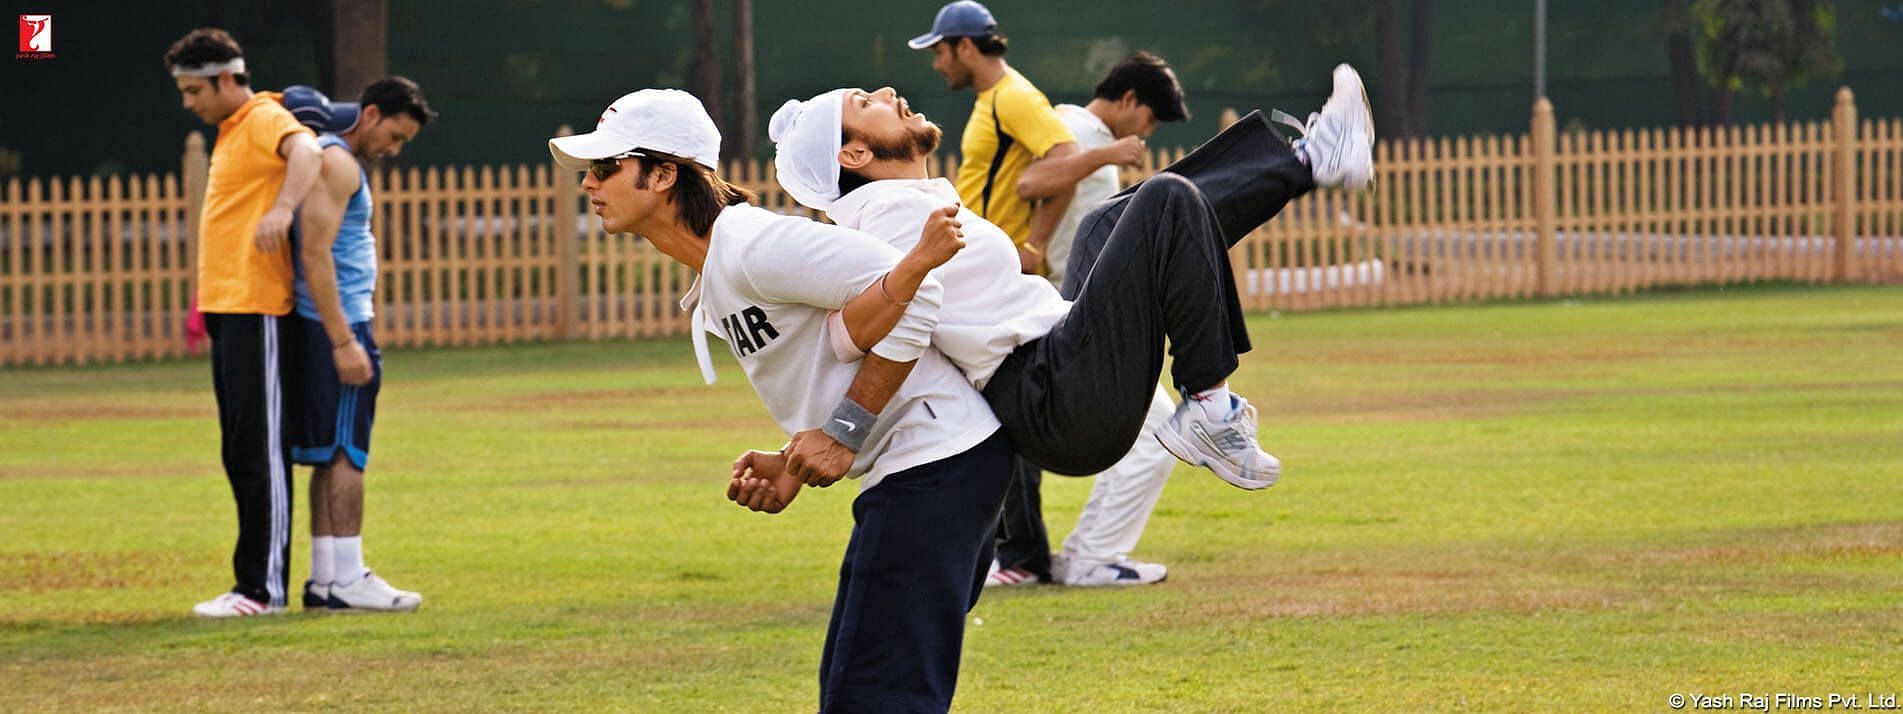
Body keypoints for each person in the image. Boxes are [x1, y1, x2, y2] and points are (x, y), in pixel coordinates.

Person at [758, 65, 1377, 580]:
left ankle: (1309, 159)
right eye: (867, 103)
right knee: (1164, 202)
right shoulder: (884, 217)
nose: (890, 94)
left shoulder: (902, 204)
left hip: (1058, 352)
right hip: (1053, 395)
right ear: (855, 152)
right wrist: (832, 437)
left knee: (1110, 221)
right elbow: (864, 330)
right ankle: (1210, 405)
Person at [548, 88, 1009, 713]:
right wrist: (796, 458)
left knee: (871, 699)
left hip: (939, 464)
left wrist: (843, 434)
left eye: (605, 168)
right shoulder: (719, 267)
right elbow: (839, 347)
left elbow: (915, 288)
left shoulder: (751, 244)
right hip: (937, 470)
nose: (590, 184)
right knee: (862, 692)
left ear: (661, 174)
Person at [909, 0, 1148, 587]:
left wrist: (1034, 243)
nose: (937, 62)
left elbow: (1061, 162)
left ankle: (1019, 558)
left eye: (940, 49)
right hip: (975, 272)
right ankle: (1016, 554)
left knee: (999, 412)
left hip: (989, 280)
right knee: (990, 411)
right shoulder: (996, 99)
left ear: (966, 46)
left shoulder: (1014, 97)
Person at [166, 27, 324, 618]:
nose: (190, 103)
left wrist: (283, 210)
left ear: (228, 78)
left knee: (260, 451)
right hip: (228, 308)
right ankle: (249, 585)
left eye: (194, 91)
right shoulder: (231, 132)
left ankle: (263, 590)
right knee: (238, 451)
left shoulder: (261, 117)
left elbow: (306, 151)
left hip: (258, 307)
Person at [1035, 52, 1193, 587]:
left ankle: (1083, 554)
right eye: (1148, 120)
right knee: (1162, 431)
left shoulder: (1061, 126)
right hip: (1073, 316)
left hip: (1051, 311)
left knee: (1148, 430)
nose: (1146, 134)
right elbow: (1085, 242)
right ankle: (1092, 559)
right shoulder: (1082, 140)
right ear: (1127, 101)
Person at [281, 78, 435, 612]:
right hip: (340, 325)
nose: (393, 150)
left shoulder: (328, 159)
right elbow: (315, 254)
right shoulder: (340, 164)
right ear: (369, 115)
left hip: (324, 324)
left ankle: (326, 579)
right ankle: (347, 576)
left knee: (329, 452)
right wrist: (345, 340)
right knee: (349, 451)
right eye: (394, 135)